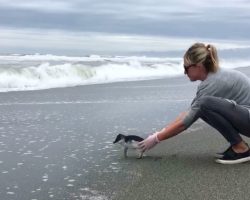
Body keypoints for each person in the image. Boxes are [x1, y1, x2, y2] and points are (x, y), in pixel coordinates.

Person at [138, 42, 250, 164]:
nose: (185, 72)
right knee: (201, 108)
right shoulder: (212, 78)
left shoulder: (213, 82)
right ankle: (238, 145)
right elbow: (189, 113)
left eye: (186, 68)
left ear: (199, 66)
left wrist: (156, 139)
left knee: (204, 104)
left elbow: (185, 123)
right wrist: (160, 132)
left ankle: (241, 149)